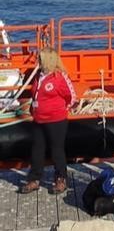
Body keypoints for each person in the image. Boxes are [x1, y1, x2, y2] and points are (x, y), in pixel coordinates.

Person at [20, 49, 77, 195]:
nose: (38, 61)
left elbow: (71, 96)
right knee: (37, 150)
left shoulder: (59, 77)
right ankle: (34, 179)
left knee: (56, 150)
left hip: (56, 120)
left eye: (40, 58)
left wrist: (63, 109)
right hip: (39, 119)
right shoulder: (39, 76)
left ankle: (61, 178)